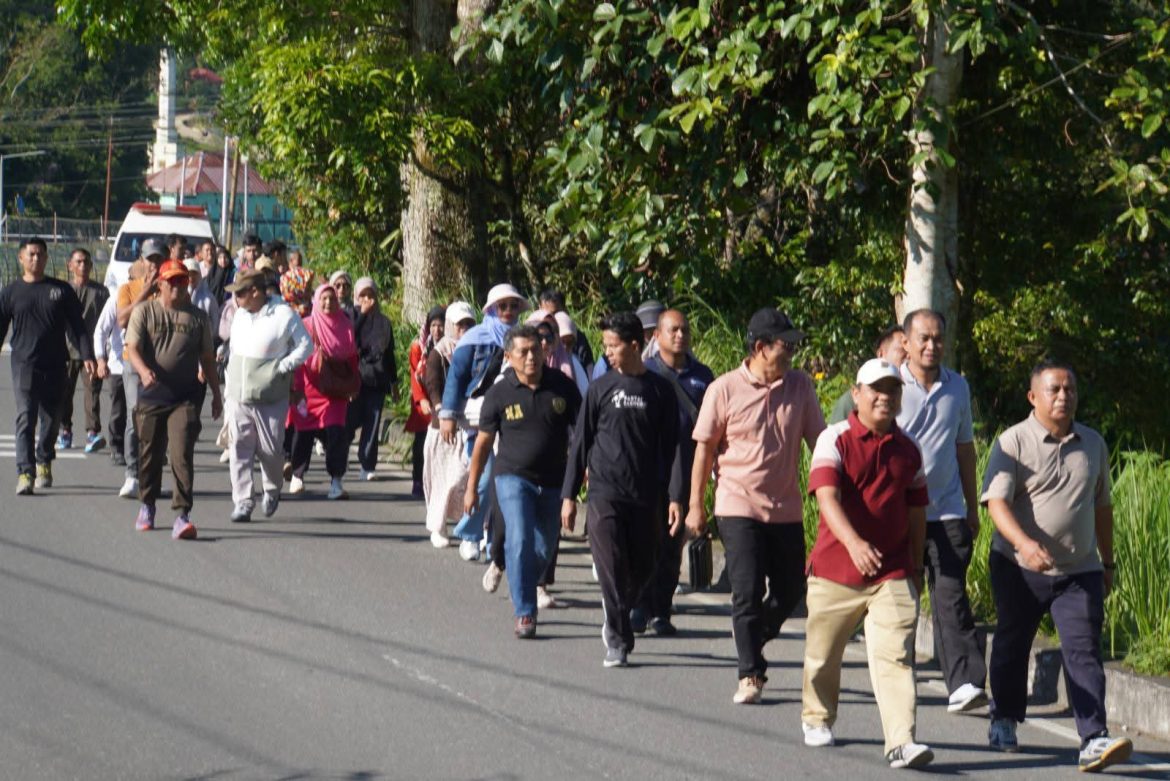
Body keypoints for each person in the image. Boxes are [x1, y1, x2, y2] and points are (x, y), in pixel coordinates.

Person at [981, 361, 1132, 772]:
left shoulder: (1094, 444)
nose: (1063, 396)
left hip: (1079, 569)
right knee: (1013, 644)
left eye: (1070, 389)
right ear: (1033, 397)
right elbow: (996, 503)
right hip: (1018, 566)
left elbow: (1103, 507)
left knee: (1084, 651)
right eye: (1054, 389)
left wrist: (1107, 560)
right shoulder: (1012, 442)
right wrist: (1025, 544)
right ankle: (1004, 718)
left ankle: (1093, 737)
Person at [687, 308, 825, 703]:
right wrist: (697, 505)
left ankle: (752, 633)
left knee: (789, 589)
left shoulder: (799, 387)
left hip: (785, 507)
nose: (793, 353)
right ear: (761, 348)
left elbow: (819, 442)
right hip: (737, 502)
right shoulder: (725, 389)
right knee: (745, 590)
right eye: (786, 346)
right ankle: (750, 672)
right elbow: (704, 450)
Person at [801, 358, 933, 769]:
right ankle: (817, 716)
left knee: (895, 654)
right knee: (823, 654)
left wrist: (915, 565)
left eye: (892, 390)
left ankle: (901, 740)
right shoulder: (833, 439)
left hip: (890, 570)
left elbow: (916, 512)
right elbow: (826, 496)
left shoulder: (909, 449)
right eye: (875, 389)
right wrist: (854, 543)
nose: (884, 397)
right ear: (855, 395)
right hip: (835, 569)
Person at [562, 311, 681, 668]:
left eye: (613, 346)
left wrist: (677, 497)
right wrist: (569, 496)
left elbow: (674, 448)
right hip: (604, 492)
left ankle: (619, 609)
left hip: (646, 495)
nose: (608, 353)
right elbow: (580, 443)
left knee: (643, 567)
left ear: (635, 345)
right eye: (605, 346)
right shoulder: (600, 389)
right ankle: (618, 639)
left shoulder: (660, 390)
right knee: (611, 566)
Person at [895, 310, 986, 713]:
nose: (932, 346)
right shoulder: (888, 384)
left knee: (950, 594)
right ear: (906, 341)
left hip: (947, 510)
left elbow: (964, 448)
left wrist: (971, 505)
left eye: (938, 339)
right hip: (898, 513)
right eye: (924, 338)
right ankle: (897, 673)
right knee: (902, 596)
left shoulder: (958, 387)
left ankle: (964, 682)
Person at [465, 324, 582, 638]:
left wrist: (584, 475)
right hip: (513, 478)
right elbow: (484, 443)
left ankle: (521, 581)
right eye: (523, 352)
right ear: (509, 356)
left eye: (536, 350)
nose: (532, 357)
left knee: (543, 549)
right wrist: (471, 487)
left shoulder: (562, 386)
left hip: (554, 482)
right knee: (520, 540)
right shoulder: (499, 393)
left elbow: (583, 432)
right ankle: (525, 613)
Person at [124, 259, 223, 539]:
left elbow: (207, 358)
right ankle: (147, 504)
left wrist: (216, 394)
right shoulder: (145, 311)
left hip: (185, 397)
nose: (179, 286)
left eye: (182, 280)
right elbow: (132, 348)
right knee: (150, 455)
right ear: (160, 284)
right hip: (152, 396)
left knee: (181, 455)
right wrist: (143, 371)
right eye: (173, 281)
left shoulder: (197, 317)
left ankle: (182, 515)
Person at [633, 309, 714, 636]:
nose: (680, 335)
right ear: (657, 336)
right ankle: (638, 604)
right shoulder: (644, 371)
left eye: (684, 330)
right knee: (642, 541)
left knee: (670, 543)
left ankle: (661, 611)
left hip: (684, 468)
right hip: (647, 470)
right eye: (673, 330)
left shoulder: (703, 376)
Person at [440, 283, 528, 561]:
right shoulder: (474, 339)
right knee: (484, 477)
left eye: (513, 306)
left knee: (507, 482)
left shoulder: (524, 340)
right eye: (503, 306)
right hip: (479, 419)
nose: (509, 311)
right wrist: (448, 416)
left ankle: (495, 539)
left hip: (513, 421)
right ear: (491, 309)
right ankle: (469, 533)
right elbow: (456, 378)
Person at [0, 238, 93, 495]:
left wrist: (87, 356)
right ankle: (25, 472)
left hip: (55, 365)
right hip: (24, 365)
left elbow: (78, 327)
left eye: (40, 255)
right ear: (21, 258)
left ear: (46, 258)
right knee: (25, 418)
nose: (36, 259)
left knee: (51, 421)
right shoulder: (10, 293)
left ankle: (44, 461)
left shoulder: (61, 290)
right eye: (31, 254)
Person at [223, 269, 313, 522]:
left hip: (271, 396)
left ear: (255, 292)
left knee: (271, 450)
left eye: (240, 293)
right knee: (239, 447)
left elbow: (306, 345)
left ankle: (272, 489)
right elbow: (234, 346)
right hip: (239, 394)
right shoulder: (240, 314)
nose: (236, 298)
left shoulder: (283, 314)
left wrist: (282, 367)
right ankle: (243, 500)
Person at [288, 284, 358, 500]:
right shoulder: (307, 325)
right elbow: (298, 359)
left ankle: (336, 481)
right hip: (309, 390)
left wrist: (354, 385)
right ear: (316, 301)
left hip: (335, 392)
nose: (328, 303)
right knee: (303, 434)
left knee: (337, 434)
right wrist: (297, 388)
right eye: (324, 299)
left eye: (332, 299)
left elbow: (352, 359)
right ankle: (297, 475)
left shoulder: (345, 326)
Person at [115, 238, 168, 499]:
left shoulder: (171, 288)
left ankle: (153, 475)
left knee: (160, 421)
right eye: (150, 259)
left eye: (159, 259)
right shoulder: (128, 288)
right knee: (135, 416)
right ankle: (132, 474)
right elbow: (122, 320)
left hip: (163, 362)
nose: (154, 264)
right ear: (142, 261)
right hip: (134, 361)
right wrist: (145, 292)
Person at [423, 302, 477, 547]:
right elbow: (432, 383)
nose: (464, 329)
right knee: (442, 481)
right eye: (460, 325)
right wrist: (441, 410)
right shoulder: (440, 352)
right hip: (443, 427)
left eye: (469, 324)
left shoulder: (479, 350)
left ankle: (468, 525)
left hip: (468, 424)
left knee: (463, 478)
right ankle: (438, 526)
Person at [346, 277, 398, 481]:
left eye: (371, 295)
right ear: (356, 297)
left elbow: (389, 354)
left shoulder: (384, 323)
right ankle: (340, 452)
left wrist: (394, 383)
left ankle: (367, 465)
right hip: (355, 379)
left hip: (377, 379)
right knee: (349, 422)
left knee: (373, 422)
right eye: (363, 295)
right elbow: (349, 340)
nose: (368, 300)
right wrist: (362, 316)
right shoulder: (349, 317)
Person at [58, 248, 110, 453]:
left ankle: (92, 432)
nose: (83, 266)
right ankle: (65, 431)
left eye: (87, 262)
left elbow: (107, 322)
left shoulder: (101, 292)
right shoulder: (62, 291)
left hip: (93, 352)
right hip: (66, 350)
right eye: (78, 262)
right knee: (64, 393)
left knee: (93, 394)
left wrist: (103, 352)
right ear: (70, 266)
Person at [828, 325, 906, 424]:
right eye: (903, 350)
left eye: (893, 390)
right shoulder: (850, 402)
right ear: (881, 354)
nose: (909, 356)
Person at [407, 306, 446, 497]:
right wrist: (421, 399)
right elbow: (415, 375)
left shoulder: (449, 347)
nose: (437, 330)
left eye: (441, 325)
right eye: (433, 325)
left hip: (443, 401)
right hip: (424, 403)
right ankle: (417, 480)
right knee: (421, 443)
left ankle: (437, 483)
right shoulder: (419, 347)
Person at [93, 294, 127, 467]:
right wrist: (100, 359)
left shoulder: (153, 297)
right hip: (119, 366)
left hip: (144, 366)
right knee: (119, 410)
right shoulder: (117, 299)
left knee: (146, 411)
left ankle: (145, 449)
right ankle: (117, 447)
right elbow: (100, 331)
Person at [539, 287, 594, 374]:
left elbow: (589, 368)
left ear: (564, 310)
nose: (551, 319)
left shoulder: (576, 337)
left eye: (555, 313)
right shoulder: (533, 337)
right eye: (547, 314)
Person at [185, 258, 221, 334]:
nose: (191, 277)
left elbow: (215, 321)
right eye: (188, 274)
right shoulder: (179, 296)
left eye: (194, 273)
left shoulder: (208, 298)